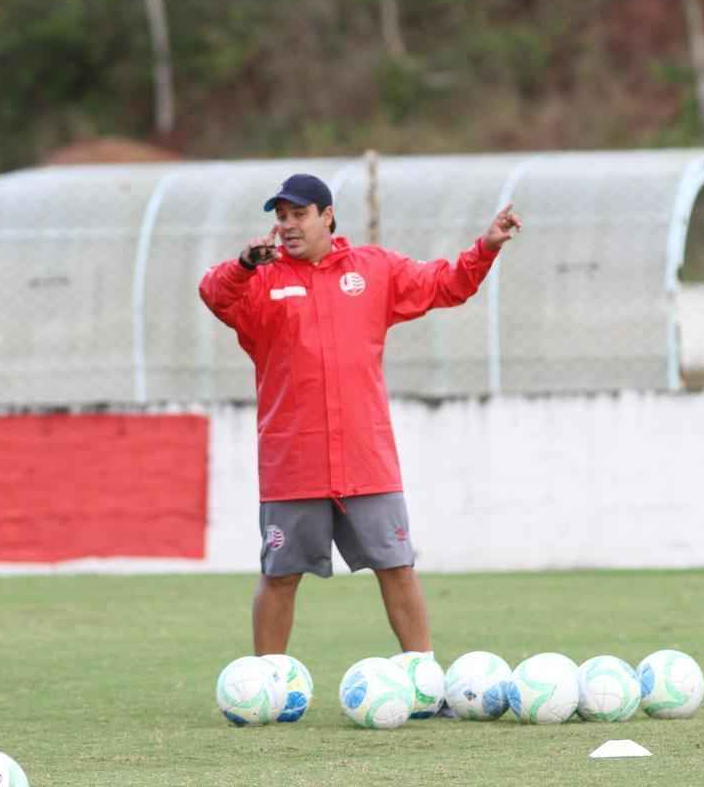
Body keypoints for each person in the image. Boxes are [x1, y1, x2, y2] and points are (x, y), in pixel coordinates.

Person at [198, 173, 522, 661]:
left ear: (327, 216)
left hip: (364, 455)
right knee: (280, 574)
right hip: (294, 459)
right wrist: (244, 265)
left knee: (397, 566)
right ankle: (267, 683)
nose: (287, 225)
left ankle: (423, 681)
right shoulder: (260, 281)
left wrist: (487, 246)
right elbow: (213, 293)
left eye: (299, 214)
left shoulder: (374, 269)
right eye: (281, 217)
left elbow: (447, 285)